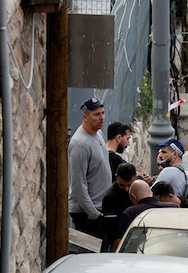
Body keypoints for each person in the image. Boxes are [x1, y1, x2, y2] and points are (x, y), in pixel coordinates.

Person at [68, 97, 112, 237]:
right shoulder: (80, 144)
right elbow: (78, 183)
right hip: (87, 213)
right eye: (96, 114)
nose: (102, 118)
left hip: (100, 208)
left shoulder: (98, 134)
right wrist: (92, 212)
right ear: (85, 117)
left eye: (103, 113)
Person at [111, 180, 174, 249]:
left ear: (133, 197)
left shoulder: (130, 213)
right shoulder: (173, 208)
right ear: (151, 193)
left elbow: (119, 245)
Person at [101, 162, 138, 252]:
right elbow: (110, 227)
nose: (126, 189)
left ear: (135, 178)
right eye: (122, 185)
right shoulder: (110, 198)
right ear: (116, 177)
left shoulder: (138, 188)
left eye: (129, 185)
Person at [156, 138, 188, 207]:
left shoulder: (168, 171)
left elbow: (150, 195)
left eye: (164, 152)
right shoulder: (187, 174)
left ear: (174, 154)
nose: (160, 155)